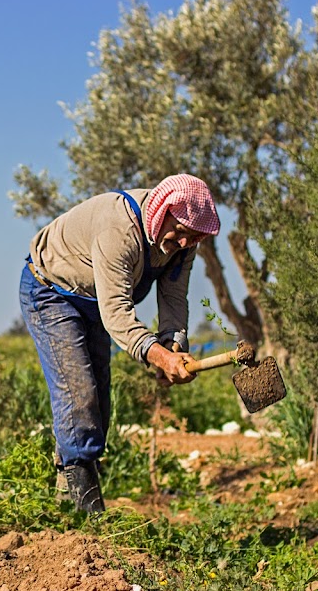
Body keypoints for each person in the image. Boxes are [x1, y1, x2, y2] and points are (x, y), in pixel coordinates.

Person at [19, 174, 221, 513]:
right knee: (78, 393)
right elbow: (117, 314)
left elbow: (173, 297)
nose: (185, 242)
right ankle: (88, 514)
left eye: (194, 236)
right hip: (51, 293)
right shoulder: (120, 229)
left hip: (92, 301)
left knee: (97, 400)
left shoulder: (182, 246)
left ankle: (64, 500)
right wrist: (156, 357)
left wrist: (172, 345)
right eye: (181, 231)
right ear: (164, 212)